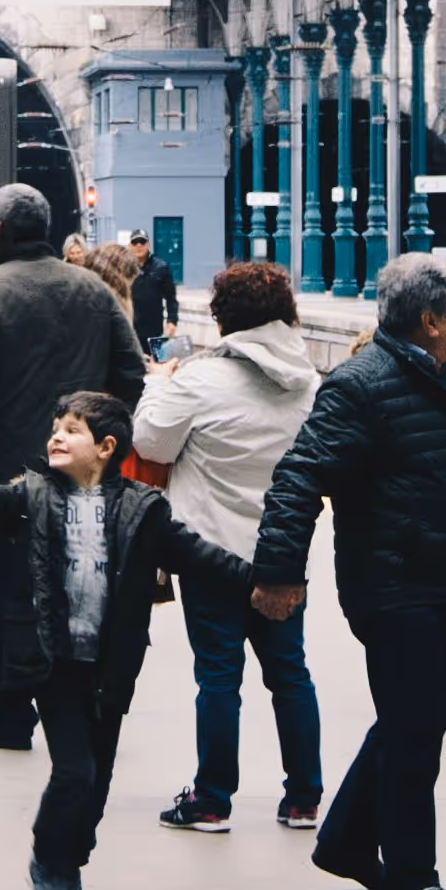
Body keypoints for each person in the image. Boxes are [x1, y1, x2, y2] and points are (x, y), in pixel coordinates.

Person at [0, 391, 252, 890]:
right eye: (56, 426)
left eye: (72, 429)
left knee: (96, 781)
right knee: (74, 770)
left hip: (111, 666)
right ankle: (52, 862)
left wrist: (259, 585)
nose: (56, 436)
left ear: (106, 447)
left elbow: (200, 557)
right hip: (54, 662)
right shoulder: (31, 497)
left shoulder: (144, 512)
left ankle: (71, 854)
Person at [247, 250, 446, 890]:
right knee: (414, 734)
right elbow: (298, 476)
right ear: (431, 321)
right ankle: (409, 878)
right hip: (396, 582)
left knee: (420, 718)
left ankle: (346, 839)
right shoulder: (359, 385)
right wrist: (279, 572)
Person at [0, 184, 146, 750]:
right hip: (83, 475)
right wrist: (99, 441)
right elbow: (131, 376)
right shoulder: (94, 291)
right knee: (77, 583)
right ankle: (76, 705)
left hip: (9, 475)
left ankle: (12, 713)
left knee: (12, 589)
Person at [133, 260, 322, 832]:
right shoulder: (309, 381)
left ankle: (212, 799)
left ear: (223, 320)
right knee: (290, 672)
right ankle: (304, 798)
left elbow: (151, 443)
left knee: (218, 676)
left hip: (210, 551)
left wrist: (157, 384)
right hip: (282, 556)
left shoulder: (197, 379)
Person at [127, 234, 181, 361]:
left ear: (148, 244)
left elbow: (171, 298)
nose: (139, 245)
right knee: (133, 364)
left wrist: (172, 321)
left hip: (154, 327)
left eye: (142, 242)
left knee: (159, 362)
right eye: (135, 242)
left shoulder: (161, 267)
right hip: (131, 326)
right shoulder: (125, 268)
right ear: (130, 246)